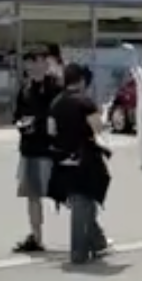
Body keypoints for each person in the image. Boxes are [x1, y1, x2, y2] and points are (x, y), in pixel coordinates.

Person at [46, 60, 114, 266]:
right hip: (85, 157)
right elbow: (98, 128)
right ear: (81, 81)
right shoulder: (85, 102)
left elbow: (51, 131)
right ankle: (79, 251)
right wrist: (104, 118)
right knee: (85, 198)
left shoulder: (55, 103)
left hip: (63, 158)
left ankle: (98, 241)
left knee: (82, 202)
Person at [10, 48, 64, 254]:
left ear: (45, 63)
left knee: (69, 193)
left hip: (51, 150)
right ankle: (36, 237)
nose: (31, 66)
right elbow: (16, 115)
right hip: (30, 149)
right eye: (28, 63)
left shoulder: (56, 87)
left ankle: (92, 232)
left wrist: (41, 124)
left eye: (35, 61)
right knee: (32, 195)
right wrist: (21, 123)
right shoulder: (25, 89)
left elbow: (61, 115)